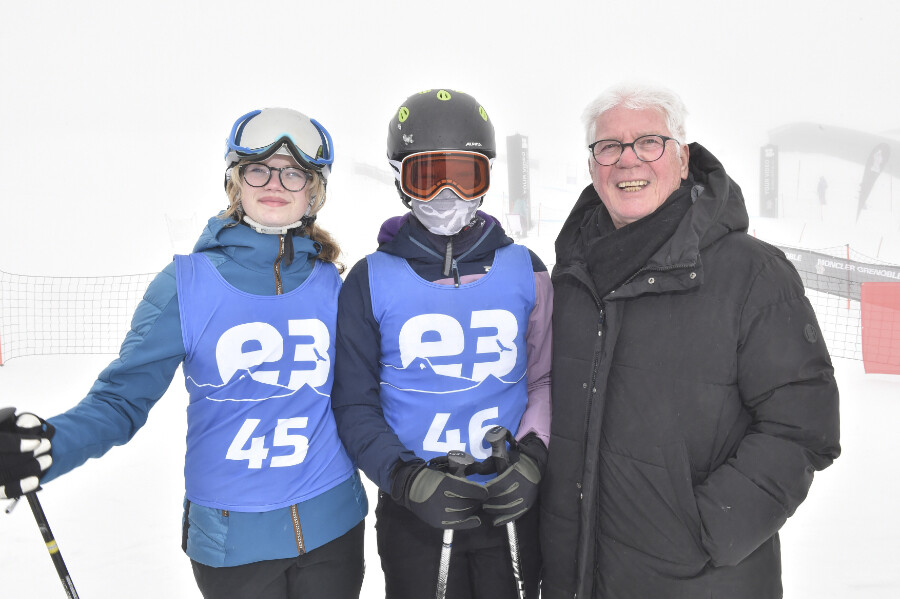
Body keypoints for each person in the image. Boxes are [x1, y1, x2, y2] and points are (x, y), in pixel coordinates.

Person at [0, 107, 368, 599]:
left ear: (314, 190)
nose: (275, 181)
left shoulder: (333, 281)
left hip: (335, 529)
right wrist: (49, 444)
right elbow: (121, 399)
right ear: (235, 183)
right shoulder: (186, 284)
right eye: (258, 168)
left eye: (294, 172)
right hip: (234, 544)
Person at [540, 82, 841, 599]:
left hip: (700, 581)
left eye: (649, 143)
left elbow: (803, 424)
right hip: (578, 573)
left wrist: (708, 530)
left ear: (682, 160)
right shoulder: (571, 278)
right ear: (592, 167)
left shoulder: (752, 273)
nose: (628, 161)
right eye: (609, 147)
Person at [331, 89, 552, 599]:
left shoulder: (527, 269)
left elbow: (543, 377)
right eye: (427, 178)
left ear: (485, 180)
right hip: (417, 513)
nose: (446, 195)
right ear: (402, 184)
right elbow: (354, 401)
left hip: (509, 502)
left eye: (465, 175)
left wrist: (535, 457)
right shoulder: (370, 279)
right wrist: (405, 478)